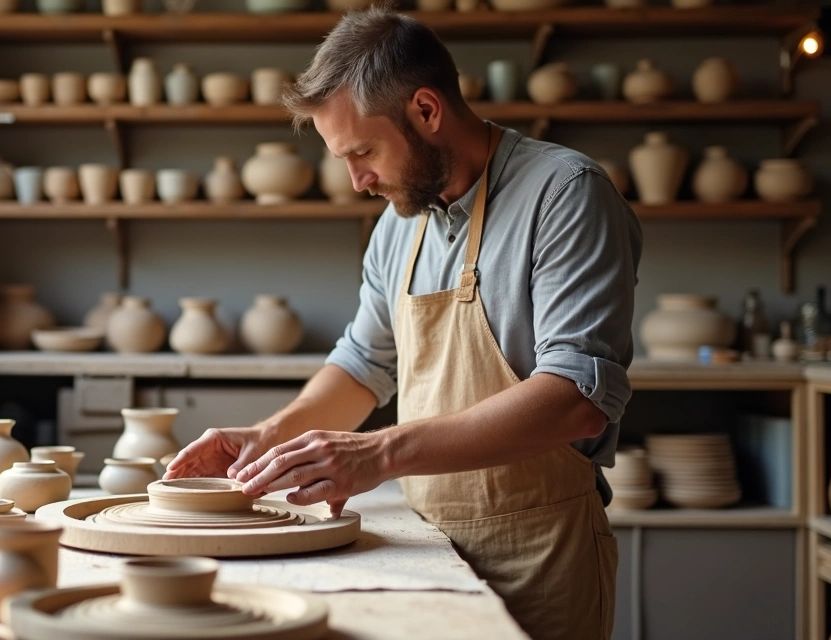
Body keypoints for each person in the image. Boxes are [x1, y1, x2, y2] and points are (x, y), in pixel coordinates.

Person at [164, 8, 642, 640]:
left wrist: (379, 452)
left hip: (541, 557)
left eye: (363, 152)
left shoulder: (565, 194)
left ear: (425, 109)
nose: (357, 180)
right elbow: (365, 365)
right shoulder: (399, 225)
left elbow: (576, 399)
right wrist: (270, 435)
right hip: (428, 550)